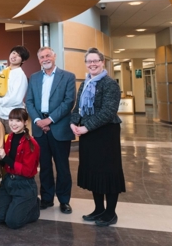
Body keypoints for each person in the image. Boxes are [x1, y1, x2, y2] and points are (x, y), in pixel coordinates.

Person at [70, 48, 125, 227]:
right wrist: (73, 123)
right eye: (89, 61)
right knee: (93, 171)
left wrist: (86, 127)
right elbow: (78, 107)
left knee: (108, 172)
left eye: (95, 61)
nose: (92, 64)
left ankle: (110, 213)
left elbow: (109, 111)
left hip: (106, 134)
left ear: (102, 62)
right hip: (89, 134)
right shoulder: (84, 83)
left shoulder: (110, 84)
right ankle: (99, 209)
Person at [25, 46, 76, 214]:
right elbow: (29, 101)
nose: (45, 59)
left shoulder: (68, 76)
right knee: (44, 166)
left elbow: (69, 102)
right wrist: (38, 120)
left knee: (62, 166)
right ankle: (47, 198)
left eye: (48, 55)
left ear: (54, 57)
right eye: (42, 57)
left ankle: (64, 200)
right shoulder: (34, 77)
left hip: (59, 127)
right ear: (39, 60)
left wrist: (50, 119)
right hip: (39, 128)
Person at [0, 108, 40, 229]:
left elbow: (27, 171)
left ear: (25, 122)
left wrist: (5, 158)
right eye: (11, 120)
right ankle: (16, 206)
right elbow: (7, 164)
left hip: (24, 185)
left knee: (12, 222)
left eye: (18, 121)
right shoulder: (9, 138)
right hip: (8, 182)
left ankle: (34, 206)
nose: (13, 124)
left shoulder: (31, 143)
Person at [0, 46, 29, 135]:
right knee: (2, 142)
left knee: (14, 142)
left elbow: (16, 99)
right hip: (1, 116)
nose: (14, 56)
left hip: (13, 117)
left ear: (23, 60)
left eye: (18, 55)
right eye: (13, 53)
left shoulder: (20, 75)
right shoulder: (4, 72)